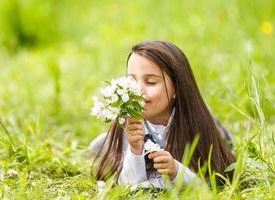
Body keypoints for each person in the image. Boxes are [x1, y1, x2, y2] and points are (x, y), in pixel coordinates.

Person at [90, 40, 235, 189]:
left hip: (204, 123)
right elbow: (128, 186)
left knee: (221, 135)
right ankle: (102, 142)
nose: (138, 90)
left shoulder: (196, 123)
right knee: (102, 147)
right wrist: (135, 149)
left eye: (151, 82)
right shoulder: (127, 122)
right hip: (128, 146)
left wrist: (176, 171)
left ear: (176, 89)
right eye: (131, 81)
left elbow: (210, 183)